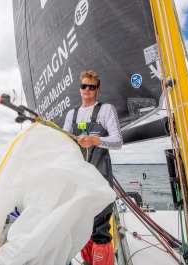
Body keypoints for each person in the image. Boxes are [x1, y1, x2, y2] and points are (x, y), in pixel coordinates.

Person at [63, 70, 123, 265]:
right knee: (81, 224)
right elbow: (64, 140)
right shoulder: (71, 114)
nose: (87, 89)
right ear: (80, 89)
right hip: (77, 180)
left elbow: (117, 141)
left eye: (91, 86)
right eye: (84, 86)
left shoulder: (106, 110)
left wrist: (94, 139)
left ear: (97, 89)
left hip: (100, 178)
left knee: (100, 228)